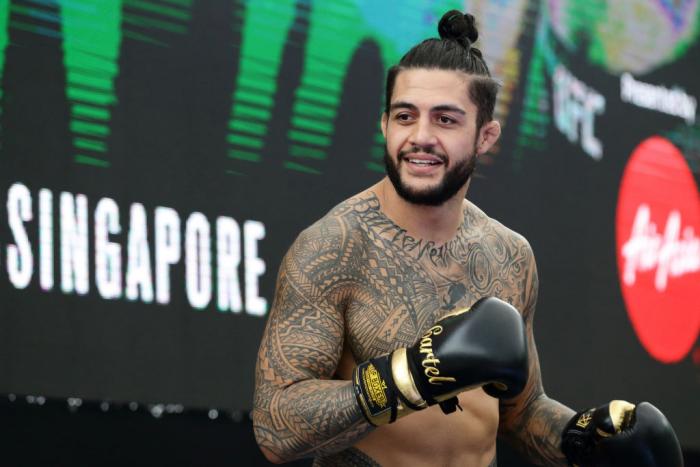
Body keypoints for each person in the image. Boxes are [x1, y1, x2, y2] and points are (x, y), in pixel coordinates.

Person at [252, 10, 683, 467]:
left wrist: (581, 437)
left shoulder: (509, 256)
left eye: (445, 120)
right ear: (384, 125)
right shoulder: (335, 247)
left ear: (486, 135)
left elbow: (521, 411)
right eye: (405, 116)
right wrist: (411, 376)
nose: (420, 137)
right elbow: (275, 427)